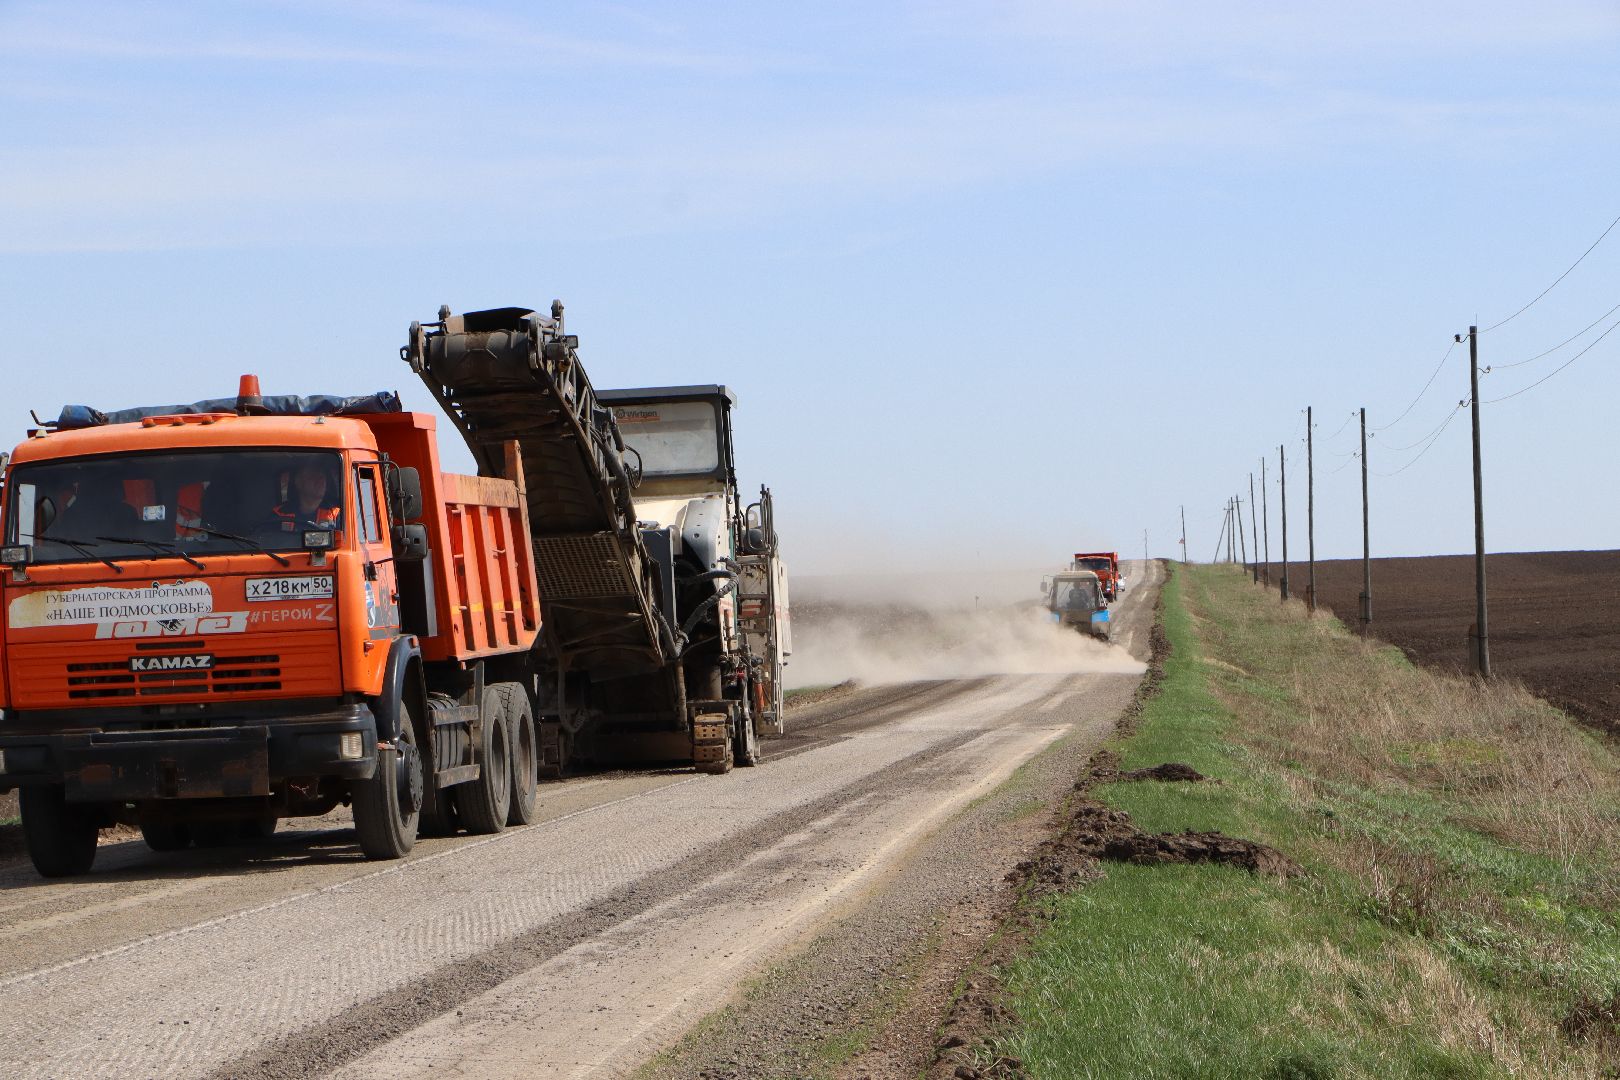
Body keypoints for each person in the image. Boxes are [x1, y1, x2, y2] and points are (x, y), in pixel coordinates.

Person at [270, 460, 342, 533]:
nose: (320, 480)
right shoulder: (279, 514)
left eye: (322, 476)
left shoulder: (336, 514)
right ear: (298, 482)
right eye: (313, 476)